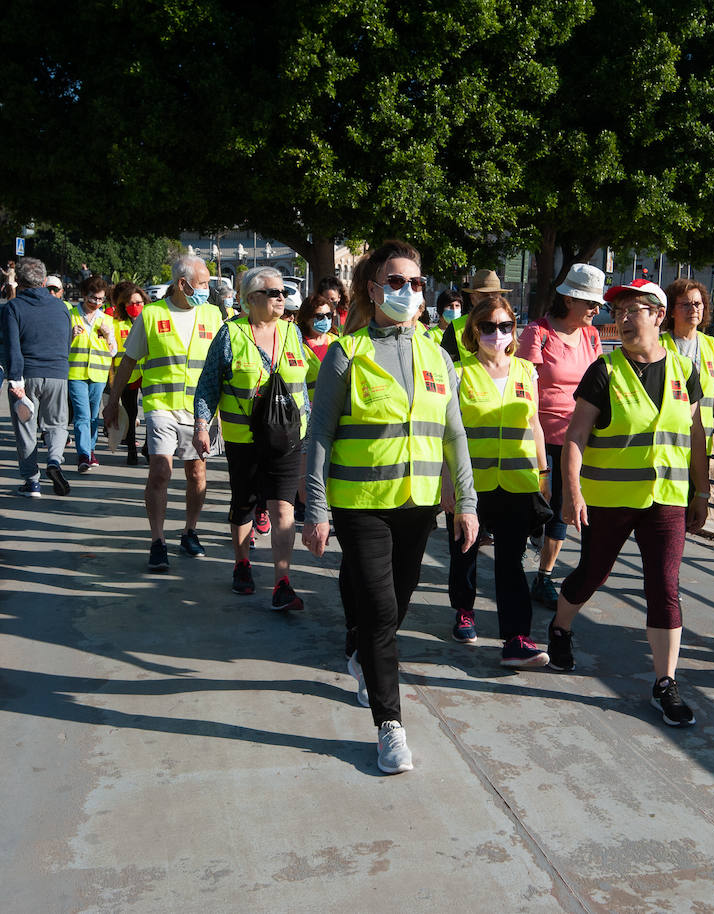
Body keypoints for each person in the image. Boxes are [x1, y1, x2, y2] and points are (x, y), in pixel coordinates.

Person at [303, 239, 478, 774]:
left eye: (417, 283)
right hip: (361, 505)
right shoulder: (346, 352)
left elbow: (454, 435)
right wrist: (317, 507)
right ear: (374, 289)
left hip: (418, 504)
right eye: (397, 282)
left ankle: (361, 655)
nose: (409, 291)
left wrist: (466, 503)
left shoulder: (438, 356)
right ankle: (390, 725)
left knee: (395, 608)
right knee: (380, 612)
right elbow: (320, 435)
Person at [546, 278, 709, 728]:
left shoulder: (683, 370)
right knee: (594, 572)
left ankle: (665, 683)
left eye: (633, 308)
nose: (622, 316)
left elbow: (696, 435)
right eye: (617, 310)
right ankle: (560, 627)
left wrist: (702, 490)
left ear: (659, 316)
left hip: (667, 499)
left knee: (664, 585)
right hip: (611, 498)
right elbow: (575, 436)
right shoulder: (604, 370)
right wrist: (573, 490)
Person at [193, 267, 311, 607]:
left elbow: (302, 385)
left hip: (288, 437)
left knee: (283, 508)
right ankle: (242, 564)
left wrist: (312, 426)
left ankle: (282, 582)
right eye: (274, 292)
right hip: (244, 437)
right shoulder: (230, 334)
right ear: (251, 299)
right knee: (244, 502)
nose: (281, 298)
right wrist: (203, 426)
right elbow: (209, 384)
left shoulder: (292, 333)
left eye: (284, 293)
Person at [446, 296, 550, 667]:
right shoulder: (459, 372)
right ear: (475, 330)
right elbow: (449, 432)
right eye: (488, 327)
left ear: (513, 329)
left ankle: (516, 637)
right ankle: (464, 609)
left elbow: (534, 424)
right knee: (465, 552)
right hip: (471, 482)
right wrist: (449, 485)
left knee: (511, 561)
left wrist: (543, 473)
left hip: (518, 482)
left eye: (505, 326)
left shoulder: (526, 371)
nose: (497, 334)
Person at [103, 255, 221, 572]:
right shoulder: (153, 315)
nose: (208, 289)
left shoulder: (213, 315)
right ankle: (158, 542)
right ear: (182, 284)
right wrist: (113, 401)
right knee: (160, 472)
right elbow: (128, 361)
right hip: (160, 409)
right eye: (203, 283)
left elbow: (225, 363)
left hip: (200, 411)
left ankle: (190, 531)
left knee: (196, 474)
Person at [515, 263, 605, 610]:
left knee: (563, 510)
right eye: (590, 303)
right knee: (536, 505)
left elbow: (599, 383)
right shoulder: (537, 333)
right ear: (569, 300)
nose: (596, 310)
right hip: (539, 435)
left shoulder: (592, 336)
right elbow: (523, 388)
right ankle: (521, 554)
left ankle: (544, 576)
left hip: (577, 438)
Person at [1, 257, 72, 498]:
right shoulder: (61, 307)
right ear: (43, 281)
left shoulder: (13, 307)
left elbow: (13, 347)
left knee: (25, 428)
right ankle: (54, 459)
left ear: (18, 281)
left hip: (27, 374)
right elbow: (65, 341)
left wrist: (14, 379)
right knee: (57, 423)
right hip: (58, 374)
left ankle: (32, 482)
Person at [662, 279, 714, 467]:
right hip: (666, 443)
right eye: (685, 304)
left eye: (697, 303)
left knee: (699, 493)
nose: (693, 309)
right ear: (671, 311)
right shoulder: (659, 345)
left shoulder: (711, 345)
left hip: (701, 442)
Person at [67, 276, 116, 473]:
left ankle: (91, 449)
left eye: (100, 299)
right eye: (92, 298)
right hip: (76, 373)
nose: (96, 303)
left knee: (93, 416)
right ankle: (83, 455)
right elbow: (59, 346)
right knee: (82, 414)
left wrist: (107, 335)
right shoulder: (70, 316)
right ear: (83, 295)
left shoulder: (107, 320)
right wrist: (70, 334)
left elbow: (113, 351)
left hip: (99, 374)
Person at [110, 281, 147, 466]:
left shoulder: (149, 320)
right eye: (131, 303)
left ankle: (149, 446)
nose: (135, 307)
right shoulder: (117, 324)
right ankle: (132, 449)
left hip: (148, 374)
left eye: (139, 303)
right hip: (128, 376)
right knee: (131, 414)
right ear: (124, 305)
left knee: (151, 413)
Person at [440, 269, 509, 360]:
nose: (491, 300)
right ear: (473, 298)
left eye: (495, 296)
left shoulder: (509, 325)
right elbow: (444, 365)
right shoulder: (455, 327)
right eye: (485, 295)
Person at [297, 281, 340, 363]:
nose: (326, 320)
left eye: (328, 315)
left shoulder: (336, 341)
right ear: (306, 318)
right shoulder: (297, 342)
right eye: (319, 316)